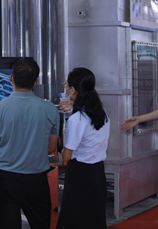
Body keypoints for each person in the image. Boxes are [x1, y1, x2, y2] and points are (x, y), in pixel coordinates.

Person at [0, 57, 59, 229]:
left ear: (11, 79)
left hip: (7, 180)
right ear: (36, 81)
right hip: (37, 180)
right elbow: (51, 148)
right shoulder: (51, 109)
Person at [57, 68, 109, 229]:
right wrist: (74, 107)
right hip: (97, 172)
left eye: (66, 86)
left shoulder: (77, 119)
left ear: (73, 90)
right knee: (94, 217)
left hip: (79, 174)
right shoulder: (102, 112)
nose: (65, 90)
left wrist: (59, 149)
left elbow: (67, 156)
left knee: (75, 218)